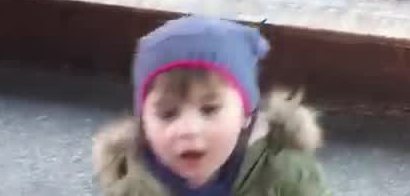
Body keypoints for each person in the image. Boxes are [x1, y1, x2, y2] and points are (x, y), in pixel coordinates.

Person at [90, 14, 334, 196]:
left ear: (245, 114)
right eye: (167, 114)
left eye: (210, 109)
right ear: (144, 122)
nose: (188, 128)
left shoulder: (284, 172)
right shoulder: (133, 179)